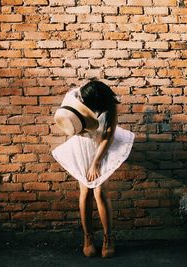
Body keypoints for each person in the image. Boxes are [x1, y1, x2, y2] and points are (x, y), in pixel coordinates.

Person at [52, 80, 135, 258]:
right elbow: (68, 125)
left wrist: (95, 162)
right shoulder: (73, 99)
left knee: (99, 191)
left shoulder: (109, 104)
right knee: (85, 191)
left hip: (101, 147)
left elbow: (108, 135)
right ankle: (88, 238)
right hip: (83, 144)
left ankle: (108, 238)